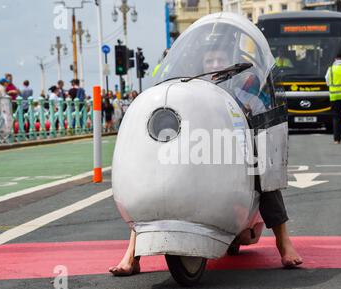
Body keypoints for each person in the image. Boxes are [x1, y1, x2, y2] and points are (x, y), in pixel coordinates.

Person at [109, 46, 303, 276]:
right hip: (194, 152)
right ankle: (132, 253)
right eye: (209, 59)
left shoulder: (243, 91)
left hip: (231, 153)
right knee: (152, 176)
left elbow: (263, 118)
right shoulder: (191, 88)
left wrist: (249, 114)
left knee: (263, 169)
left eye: (219, 57)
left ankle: (284, 243)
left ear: (229, 61)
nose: (214, 63)